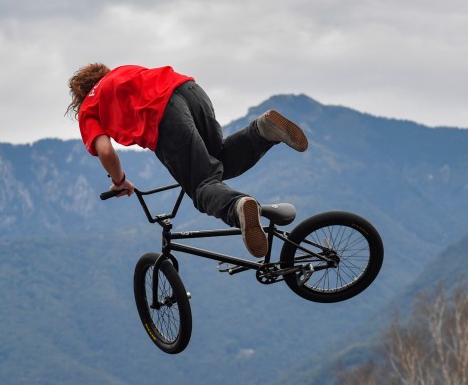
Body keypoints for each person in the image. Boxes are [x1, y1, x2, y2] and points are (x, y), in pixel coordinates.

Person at [66, 63, 308, 258]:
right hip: (188, 90)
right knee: (218, 159)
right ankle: (262, 131)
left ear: (80, 95)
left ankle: (238, 206)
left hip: (163, 114)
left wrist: (119, 181)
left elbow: (106, 151)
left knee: (203, 186)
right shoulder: (121, 72)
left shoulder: (90, 107)